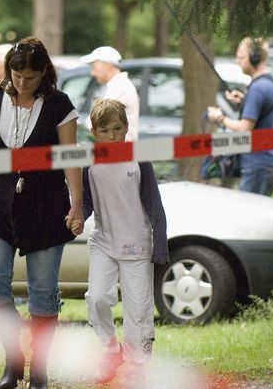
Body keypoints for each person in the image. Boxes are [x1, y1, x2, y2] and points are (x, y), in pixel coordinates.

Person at [0, 36, 84, 389]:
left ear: (44, 73)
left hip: (45, 205)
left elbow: (70, 157)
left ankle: (39, 370)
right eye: (16, 75)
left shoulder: (59, 105)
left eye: (30, 77)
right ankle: (13, 361)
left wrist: (76, 205)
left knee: (43, 290)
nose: (21, 83)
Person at [81, 98, 168, 383]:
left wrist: (161, 245)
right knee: (97, 298)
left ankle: (137, 364)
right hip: (103, 241)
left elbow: (154, 205)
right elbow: (86, 202)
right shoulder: (90, 162)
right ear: (94, 132)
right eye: (105, 131)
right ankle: (110, 349)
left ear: (127, 128)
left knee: (138, 309)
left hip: (138, 245)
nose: (112, 136)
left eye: (117, 129)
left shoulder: (138, 158)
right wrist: (77, 217)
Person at [207, 37, 273, 196]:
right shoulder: (270, 84)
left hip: (257, 167)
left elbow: (244, 128)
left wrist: (220, 117)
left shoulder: (257, 89)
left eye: (241, 57)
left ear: (254, 58)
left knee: (248, 216)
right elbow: (264, 114)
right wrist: (244, 101)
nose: (237, 61)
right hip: (270, 164)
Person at [80, 46, 139, 142]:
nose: (92, 73)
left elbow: (97, 120)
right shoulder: (119, 85)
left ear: (108, 65)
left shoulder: (119, 87)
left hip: (119, 150)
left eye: (94, 67)